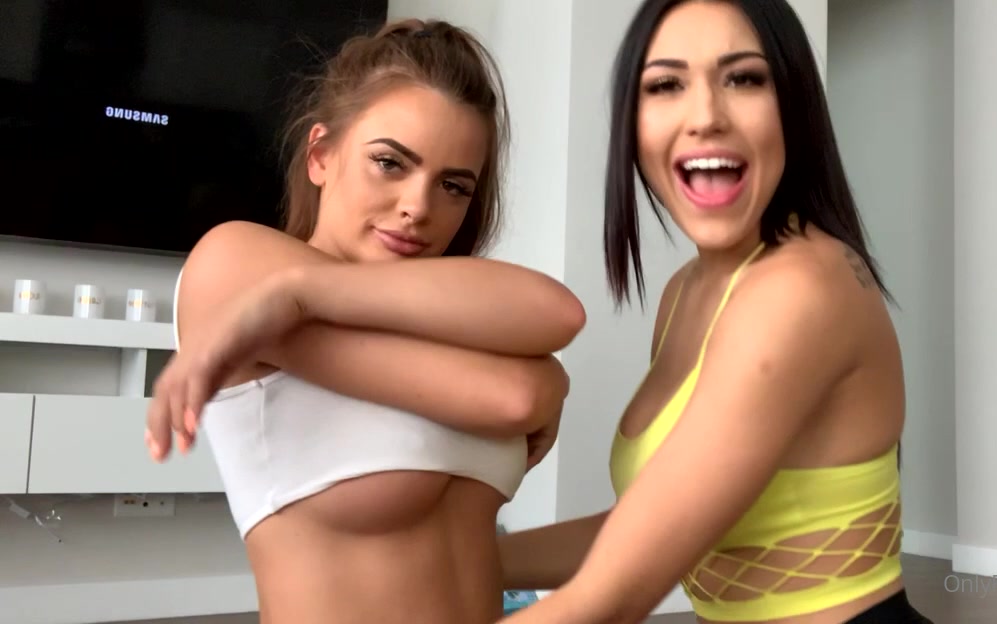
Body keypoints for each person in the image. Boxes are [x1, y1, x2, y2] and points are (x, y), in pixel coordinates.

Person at [496, 1, 932, 623]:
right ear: (632, 122)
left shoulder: (801, 289)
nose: (705, 117)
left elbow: (613, 594)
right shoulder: (685, 292)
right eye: (666, 85)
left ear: (794, 106)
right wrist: (470, 561)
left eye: (745, 78)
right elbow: (639, 536)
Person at [143, 18, 585, 624]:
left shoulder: (315, 297)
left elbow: (560, 313)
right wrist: (550, 379)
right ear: (321, 155)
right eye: (389, 163)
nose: (418, 207)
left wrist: (303, 293)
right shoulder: (237, 263)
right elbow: (517, 396)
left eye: (453, 186)